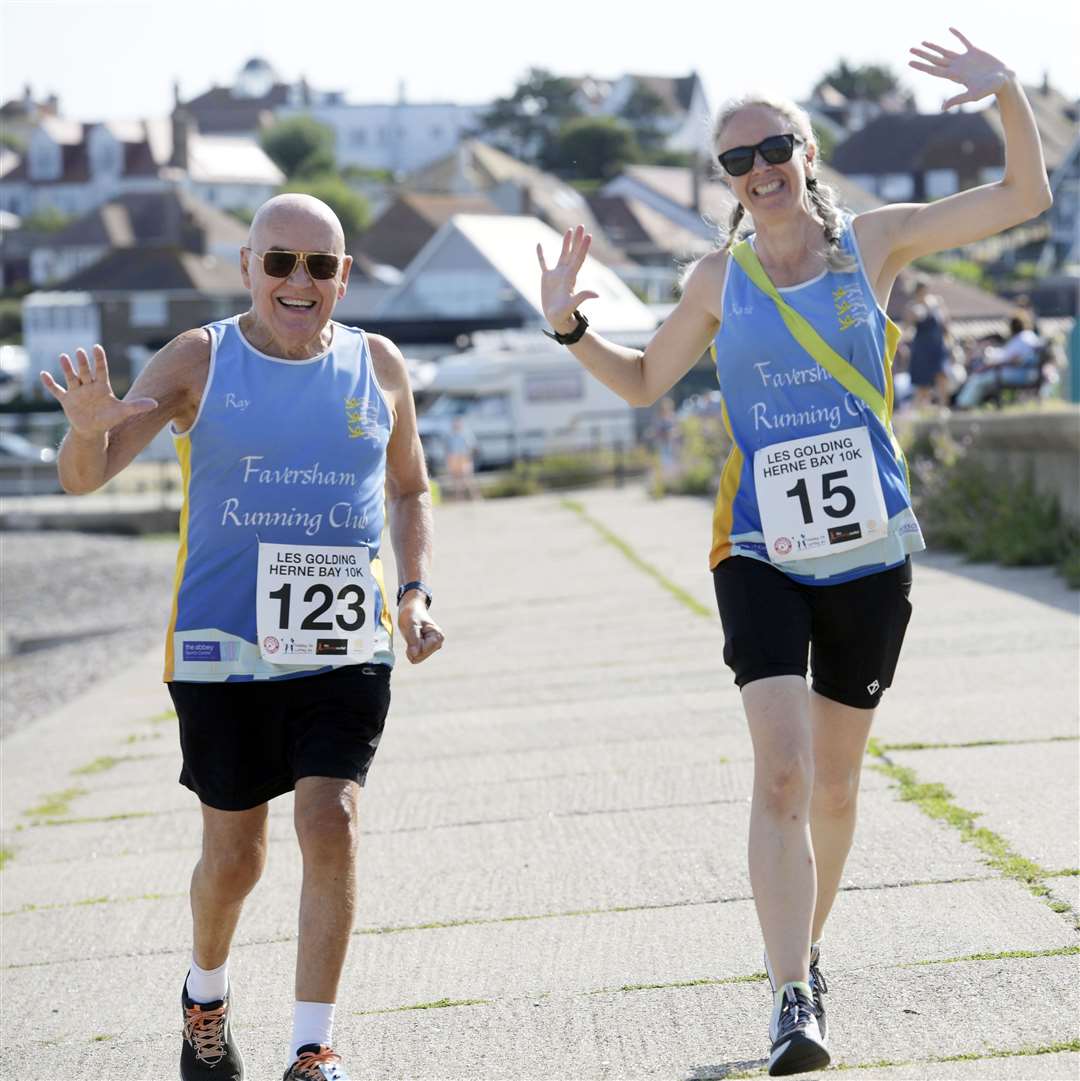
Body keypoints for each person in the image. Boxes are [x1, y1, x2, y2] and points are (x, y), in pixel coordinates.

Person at [536, 28, 1049, 1078]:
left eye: (775, 148)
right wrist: (569, 330)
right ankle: (788, 997)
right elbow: (642, 383)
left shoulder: (877, 245)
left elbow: (1022, 196)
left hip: (869, 546)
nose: (760, 171)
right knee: (781, 771)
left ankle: (805, 948)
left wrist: (1006, 96)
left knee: (836, 789)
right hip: (760, 544)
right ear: (724, 180)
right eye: (737, 160)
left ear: (806, 153)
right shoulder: (716, 279)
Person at [41, 193, 445, 1081]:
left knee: (331, 818)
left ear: (343, 275)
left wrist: (412, 592)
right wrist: (82, 429)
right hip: (221, 650)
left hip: (345, 645)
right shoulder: (200, 357)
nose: (298, 281)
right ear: (248, 269)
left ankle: (312, 1046)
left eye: (319, 265)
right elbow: (87, 475)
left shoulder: (378, 364)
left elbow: (410, 489)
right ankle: (205, 997)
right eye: (279, 262)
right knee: (234, 855)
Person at [954, 311, 1044, 408]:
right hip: (1028, 372)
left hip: (1019, 373)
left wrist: (988, 364)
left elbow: (1009, 358)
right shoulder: (1029, 336)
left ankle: (963, 405)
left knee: (978, 379)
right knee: (981, 377)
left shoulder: (1022, 338)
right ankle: (970, 404)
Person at [905, 279, 952, 407]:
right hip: (922, 348)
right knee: (923, 385)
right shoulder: (912, 306)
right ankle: (917, 412)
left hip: (937, 346)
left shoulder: (936, 302)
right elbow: (908, 328)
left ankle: (943, 409)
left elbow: (945, 323)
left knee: (942, 377)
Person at [444, 415, 482, 500]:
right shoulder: (450, 435)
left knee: (468, 479)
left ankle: (476, 497)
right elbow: (448, 449)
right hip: (454, 458)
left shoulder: (466, 434)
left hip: (464, 458)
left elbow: (473, 447)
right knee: (456, 480)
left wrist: (468, 457)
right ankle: (459, 498)